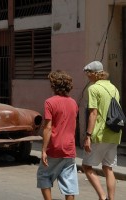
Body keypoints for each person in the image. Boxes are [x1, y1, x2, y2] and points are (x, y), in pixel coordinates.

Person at [82, 61, 122, 200]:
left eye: (88, 73)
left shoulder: (93, 89)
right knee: (108, 168)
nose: (87, 76)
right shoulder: (114, 88)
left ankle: (102, 197)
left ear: (94, 74)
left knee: (86, 166)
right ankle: (111, 198)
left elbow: (93, 113)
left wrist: (88, 135)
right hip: (114, 133)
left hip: (99, 134)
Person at [37, 70, 79, 200]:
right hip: (69, 148)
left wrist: (43, 150)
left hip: (54, 147)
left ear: (53, 85)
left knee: (43, 176)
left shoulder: (50, 102)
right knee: (69, 182)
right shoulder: (73, 103)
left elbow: (48, 127)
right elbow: (74, 126)